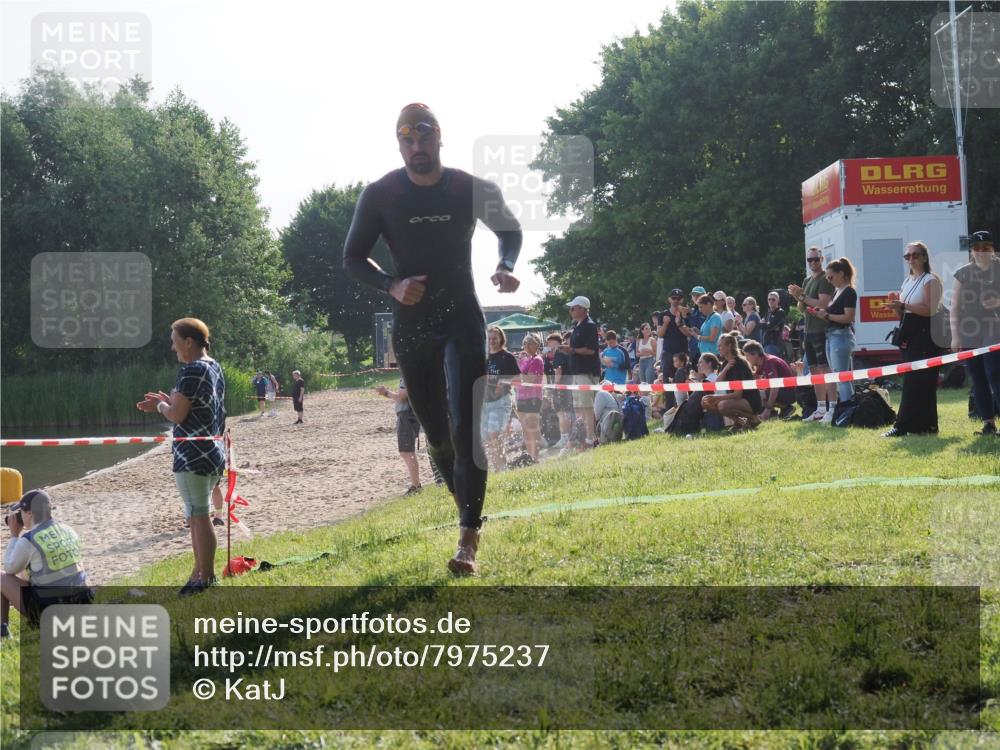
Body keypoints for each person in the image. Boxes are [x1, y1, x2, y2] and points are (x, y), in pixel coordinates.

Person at [342, 103, 522, 575]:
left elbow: (510, 230)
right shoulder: (380, 195)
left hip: (461, 317)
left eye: (424, 137)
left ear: (439, 137)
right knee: (438, 440)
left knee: (465, 431)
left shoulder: (468, 188)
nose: (416, 147)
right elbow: (354, 257)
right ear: (398, 144)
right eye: (407, 139)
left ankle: (468, 536)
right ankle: (465, 503)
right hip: (413, 326)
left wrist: (505, 266)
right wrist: (391, 286)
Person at [137, 317, 226, 596]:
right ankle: (198, 573)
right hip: (213, 452)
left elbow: (177, 414)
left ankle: (206, 578)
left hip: (192, 456)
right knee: (196, 515)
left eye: (175, 342)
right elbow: (197, 407)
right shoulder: (214, 367)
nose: (173, 348)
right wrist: (170, 402)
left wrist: (162, 405)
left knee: (199, 516)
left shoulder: (191, 370)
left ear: (189, 342)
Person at [2, 490, 93, 638]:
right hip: (83, 604)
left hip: (52, 613)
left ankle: (2, 632)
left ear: (29, 513)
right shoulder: (68, 530)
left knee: (1, 578)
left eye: (21, 512)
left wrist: (13, 536)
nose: (20, 515)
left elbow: (9, 569)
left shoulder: (29, 540)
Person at [883, 241, 944, 437]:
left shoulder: (930, 280)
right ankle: (925, 426)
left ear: (925, 257)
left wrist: (904, 306)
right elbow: (904, 313)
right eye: (907, 256)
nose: (911, 259)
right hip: (909, 334)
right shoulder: (908, 281)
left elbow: (931, 310)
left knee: (919, 381)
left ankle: (902, 426)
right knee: (915, 380)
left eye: (915, 255)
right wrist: (897, 308)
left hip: (926, 335)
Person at [951, 229, 1000, 436]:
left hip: (994, 329)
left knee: (994, 374)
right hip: (970, 330)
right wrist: (955, 335)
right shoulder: (963, 272)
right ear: (971, 251)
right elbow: (954, 305)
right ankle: (988, 423)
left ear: (992, 249)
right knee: (978, 378)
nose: (981, 252)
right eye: (977, 248)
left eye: (986, 248)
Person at [788, 247, 837, 422]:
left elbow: (821, 304)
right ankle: (820, 409)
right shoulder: (807, 280)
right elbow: (802, 308)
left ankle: (832, 408)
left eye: (816, 259)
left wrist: (801, 296)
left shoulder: (825, 278)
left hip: (822, 330)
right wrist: (798, 297)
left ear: (822, 259)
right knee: (815, 370)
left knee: (826, 369)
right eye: (810, 260)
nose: (813, 263)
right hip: (808, 330)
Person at [812, 257, 858, 422]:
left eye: (831, 277)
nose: (829, 280)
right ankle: (847, 411)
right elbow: (833, 316)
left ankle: (847, 413)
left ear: (842, 274)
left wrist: (827, 315)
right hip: (832, 336)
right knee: (840, 377)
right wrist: (821, 314)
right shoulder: (838, 292)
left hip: (841, 337)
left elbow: (848, 317)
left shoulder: (849, 292)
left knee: (842, 378)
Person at [562, 296, 600, 450]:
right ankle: (584, 437)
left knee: (587, 406)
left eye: (573, 308)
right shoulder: (578, 326)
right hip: (577, 372)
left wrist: (571, 350)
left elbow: (591, 350)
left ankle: (590, 439)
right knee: (580, 407)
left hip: (587, 371)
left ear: (583, 309)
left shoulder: (589, 326)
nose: (571, 310)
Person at [703, 332, 763, 432]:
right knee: (705, 402)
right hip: (737, 400)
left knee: (722, 405)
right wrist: (725, 369)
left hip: (750, 401)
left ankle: (753, 418)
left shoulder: (739, 364)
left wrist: (717, 397)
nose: (718, 349)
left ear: (729, 346)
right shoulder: (727, 363)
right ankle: (741, 422)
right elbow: (717, 384)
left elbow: (737, 394)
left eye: (720, 346)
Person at [375, 379, 425, 494]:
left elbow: (401, 396)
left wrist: (386, 392)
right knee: (407, 452)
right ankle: (416, 485)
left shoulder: (408, 374)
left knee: (407, 452)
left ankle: (416, 486)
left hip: (407, 415)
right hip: (408, 415)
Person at [483, 326, 521, 471]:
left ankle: (502, 467)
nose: (492, 341)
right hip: (485, 401)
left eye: (495, 338)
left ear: (501, 339)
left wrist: (504, 381)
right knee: (489, 438)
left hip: (501, 400)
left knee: (494, 434)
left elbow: (519, 378)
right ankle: (497, 466)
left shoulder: (507, 357)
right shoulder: (484, 356)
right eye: (490, 338)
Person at [742, 339, 796, 420]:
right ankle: (775, 412)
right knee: (755, 391)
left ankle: (784, 408)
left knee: (756, 394)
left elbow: (775, 387)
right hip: (785, 391)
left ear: (755, 354)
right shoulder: (763, 361)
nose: (746, 359)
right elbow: (755, 376)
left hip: (789, 393)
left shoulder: (769, 362)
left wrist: (768, 408)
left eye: (747, 356)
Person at [516, 333, 545, 461]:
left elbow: (531, 379)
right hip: (521, 396)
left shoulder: (537, 359)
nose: (526, 345)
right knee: (525, 429)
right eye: (525, 343)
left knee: (532, 427)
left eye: (530, 343)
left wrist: (520, 376)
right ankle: (529, 456)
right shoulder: (523, 360)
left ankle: (535, 457)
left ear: (536, 345)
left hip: (533, 396)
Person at [546, 332, 574, 448]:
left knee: (562, 413)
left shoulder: (558, 353)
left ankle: (564, 438)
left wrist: (555, 386)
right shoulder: (566, 352)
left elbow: (558, 370)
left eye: (550, 343)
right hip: (569, 385)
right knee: (567, 413)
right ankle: (568, 437)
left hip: (562, 386)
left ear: (556, 342)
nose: (549, 345)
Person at [760, 292, 787, 357]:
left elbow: (769, 327)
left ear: (778, 300)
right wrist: (765, 324)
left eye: (773, 299)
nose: (771, 301)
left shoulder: (780, 312)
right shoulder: (768, 312)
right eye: (769, 299)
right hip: (765, 344)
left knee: (772, 366)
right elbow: (762, 325)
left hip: (773, 345)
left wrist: (765, 324)